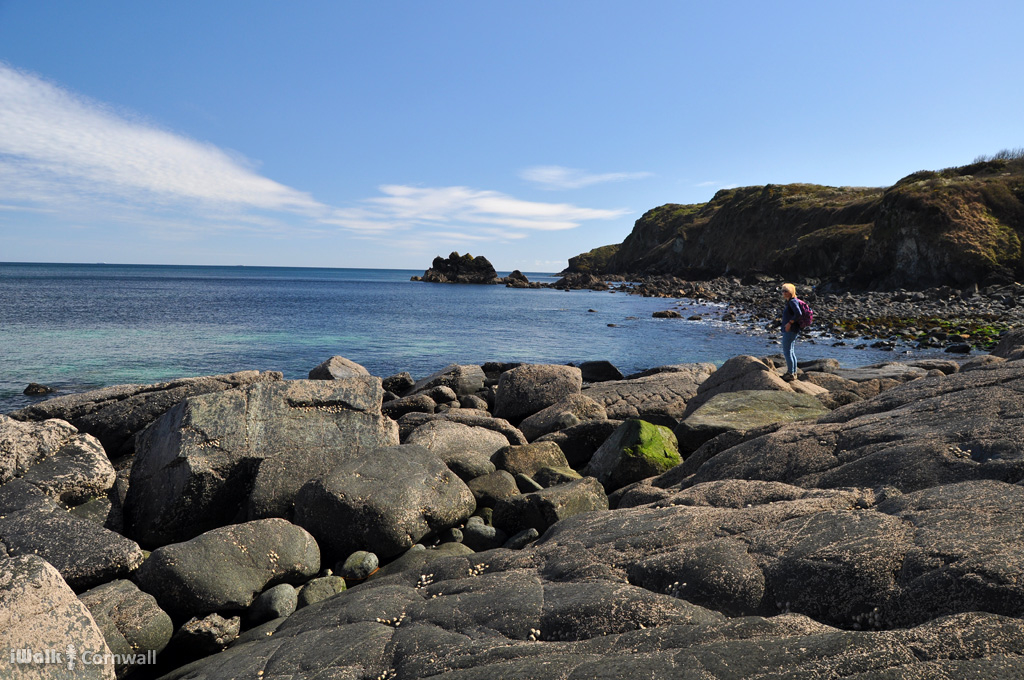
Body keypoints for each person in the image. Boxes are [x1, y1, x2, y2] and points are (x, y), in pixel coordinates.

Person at [780, 283, 801, 381]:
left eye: (786, 291)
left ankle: (790, 373)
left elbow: (798, 313)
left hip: (790, 329)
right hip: (792, 329)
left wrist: (789, 323)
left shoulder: (792, 302)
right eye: (782, 291)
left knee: (787, 351)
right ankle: (793, 372)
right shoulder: (791, 301)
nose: (783, 293)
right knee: (791, 351)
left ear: (791, 292)